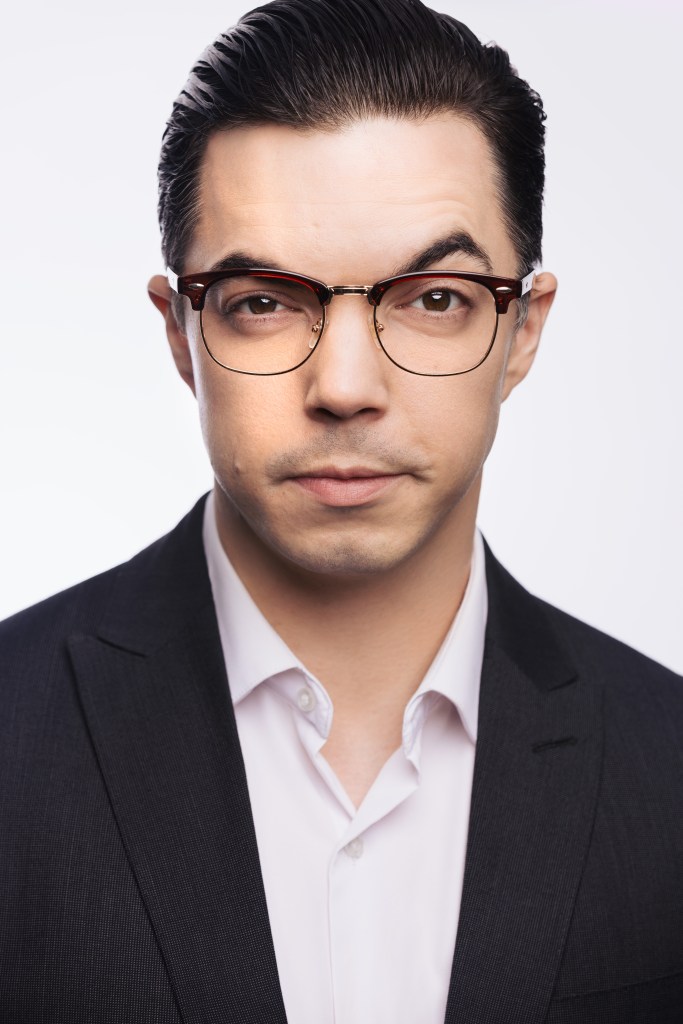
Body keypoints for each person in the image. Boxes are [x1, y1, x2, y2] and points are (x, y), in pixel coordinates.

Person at [1, 0, 681, 1021]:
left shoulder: (665, 764)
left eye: (435, 297)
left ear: (523, 331)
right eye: (264, 301)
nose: (347, 388)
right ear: (181, 334)